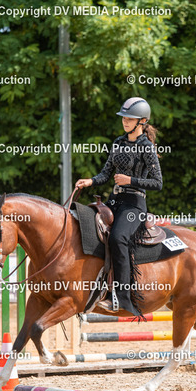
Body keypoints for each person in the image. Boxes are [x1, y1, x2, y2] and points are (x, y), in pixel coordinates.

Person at [75, 97, 162, 316]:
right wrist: (90, 181)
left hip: (135, 205)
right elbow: (106, 174)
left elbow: (158, 183)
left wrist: (130, 181)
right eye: (123, 117)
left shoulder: (147, 147)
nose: (125, 121)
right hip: (114, 201)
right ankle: (96, 287)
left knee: (118, 238)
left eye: (129, 118)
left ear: (142, 121)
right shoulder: (118, 142)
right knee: (88, 229)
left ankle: (123, 297)